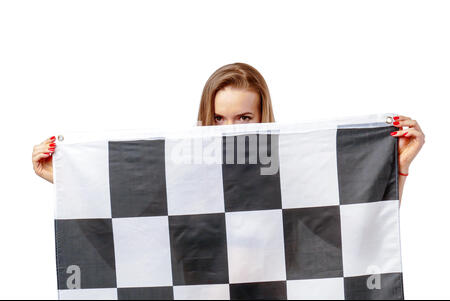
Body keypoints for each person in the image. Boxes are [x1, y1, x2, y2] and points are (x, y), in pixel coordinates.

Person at [32, 62, 425, 201]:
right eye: (219, 119)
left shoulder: (289, 173)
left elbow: (359, 226)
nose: (230, 130)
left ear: (262, 117)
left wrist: (398, 166)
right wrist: (67, 180)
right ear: (205, 120)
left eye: (243, 119)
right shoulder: (182, 172)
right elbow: (129, 214)